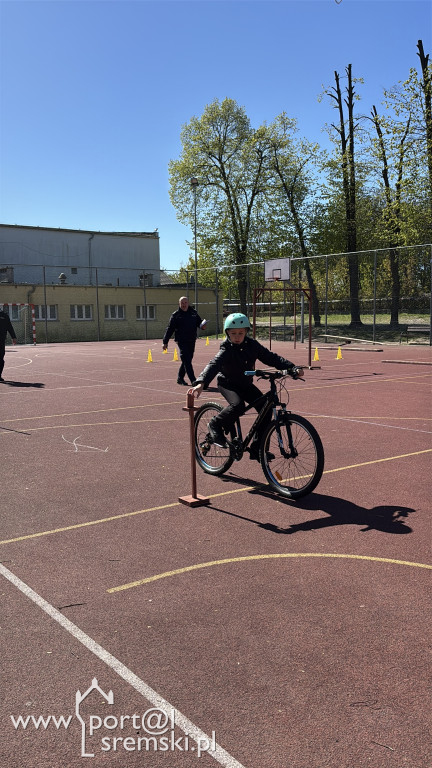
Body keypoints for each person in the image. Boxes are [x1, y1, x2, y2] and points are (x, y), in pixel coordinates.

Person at [190, 312, 304, 459]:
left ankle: (257, 449)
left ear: (246, 332)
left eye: (241, 333)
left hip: (245, 384)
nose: (237, 336)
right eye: (233, 333)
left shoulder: (252, 346)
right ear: (227, 334)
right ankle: (215, 424)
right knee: (238, 405)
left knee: (266, 409)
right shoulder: (226, 349)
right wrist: (201, 383)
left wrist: (291, 367)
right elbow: (213, 365)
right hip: (228, 384)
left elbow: (270, 357)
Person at [163, 296, 206, 385]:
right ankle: (193, 380)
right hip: (181, 341)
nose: (184, 305)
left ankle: (180, 378)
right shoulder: (176, 315)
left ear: (188, 303)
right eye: (182, 303)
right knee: (186, 359)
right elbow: (170, 329)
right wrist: (165, 342)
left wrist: (202, 326)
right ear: (179, 304)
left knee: (187, 360)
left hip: (192, 340)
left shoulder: (193, 313)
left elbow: (199, 323)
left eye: (185, 302)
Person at [0, 308, 17, 382]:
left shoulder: (4, 316)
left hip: (1, 340)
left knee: (1, 358)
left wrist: (13, 337)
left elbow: (9, 326)